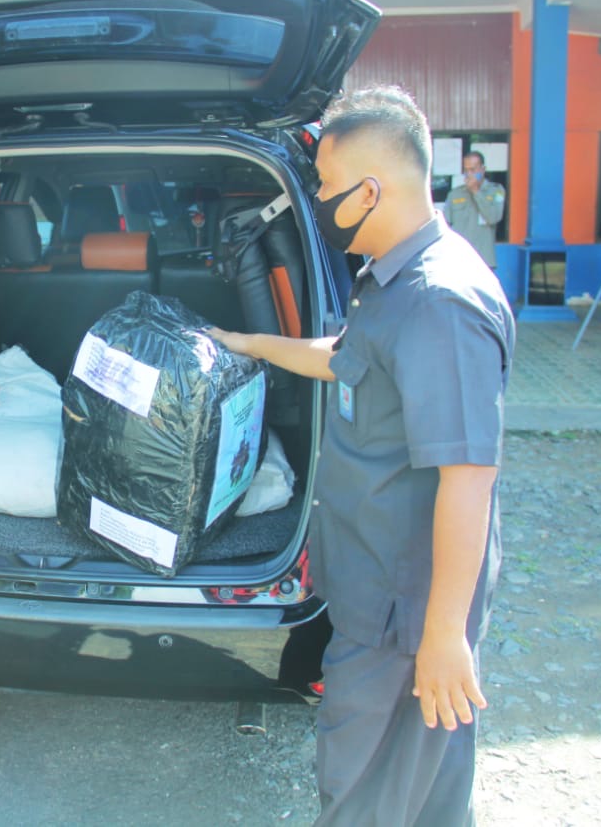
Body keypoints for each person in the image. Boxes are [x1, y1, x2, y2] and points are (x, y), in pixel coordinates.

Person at [209, 86, 515, 826]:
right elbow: (346, 359)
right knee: (422, 796)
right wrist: (249, 345)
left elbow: (469, 480)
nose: (316, 199)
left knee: (363, 796)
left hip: (402, 621)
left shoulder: (440, 302)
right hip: (383, 604)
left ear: (370, 191)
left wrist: (443, 636)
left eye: (324, 187)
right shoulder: (395, 279)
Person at [444, 150, 506, 268]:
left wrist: (475, 191)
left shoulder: (496, 191)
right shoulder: (455, 194)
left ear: (482, 169)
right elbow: (446, 226)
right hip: (459, 260)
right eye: (466, 170)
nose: (469, 174)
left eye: (473, 170)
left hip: (483, 260)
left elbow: (493, 217)